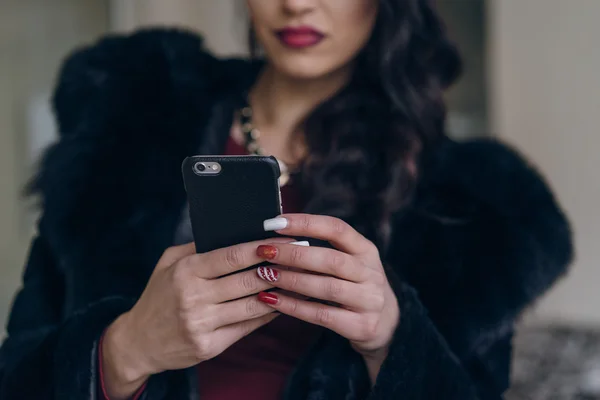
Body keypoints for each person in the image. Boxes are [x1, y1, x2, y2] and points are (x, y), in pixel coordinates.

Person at [0, 0, 573, 399]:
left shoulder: (475, 206)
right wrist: (122, 352)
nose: (296, 4)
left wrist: (393, 342)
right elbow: (18, 369)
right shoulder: (126, 123)